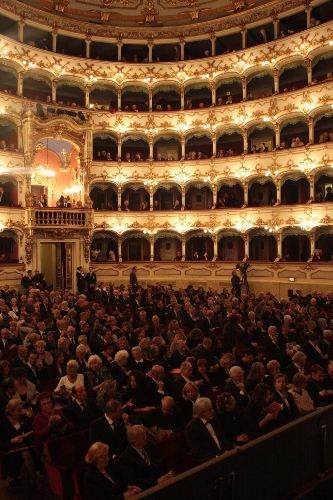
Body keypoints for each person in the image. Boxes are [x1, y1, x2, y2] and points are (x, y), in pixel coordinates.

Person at [0, 400, 47, 496]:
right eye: (18, 410)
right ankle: (36, 483)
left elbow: (30, 432)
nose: (21, 412)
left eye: (21, 409)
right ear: (11, 411)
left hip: (26, 448)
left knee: (25, 458)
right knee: (25, 455)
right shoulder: (3, 423)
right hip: (11, 453)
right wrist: (12, 441)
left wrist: (27, 435)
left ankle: (27, 491)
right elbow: (1, 444)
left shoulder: (23, 419)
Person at [120, 425, 175, 490]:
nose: (146, 437)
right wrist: (157, 482)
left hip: (165, 479)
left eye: (145, 433)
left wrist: (171, 472)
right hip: (151, 488)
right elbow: (135, 481)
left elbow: (164, 462)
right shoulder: (126, 458)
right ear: (134, 442)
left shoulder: (150, 445)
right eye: (142, 435)